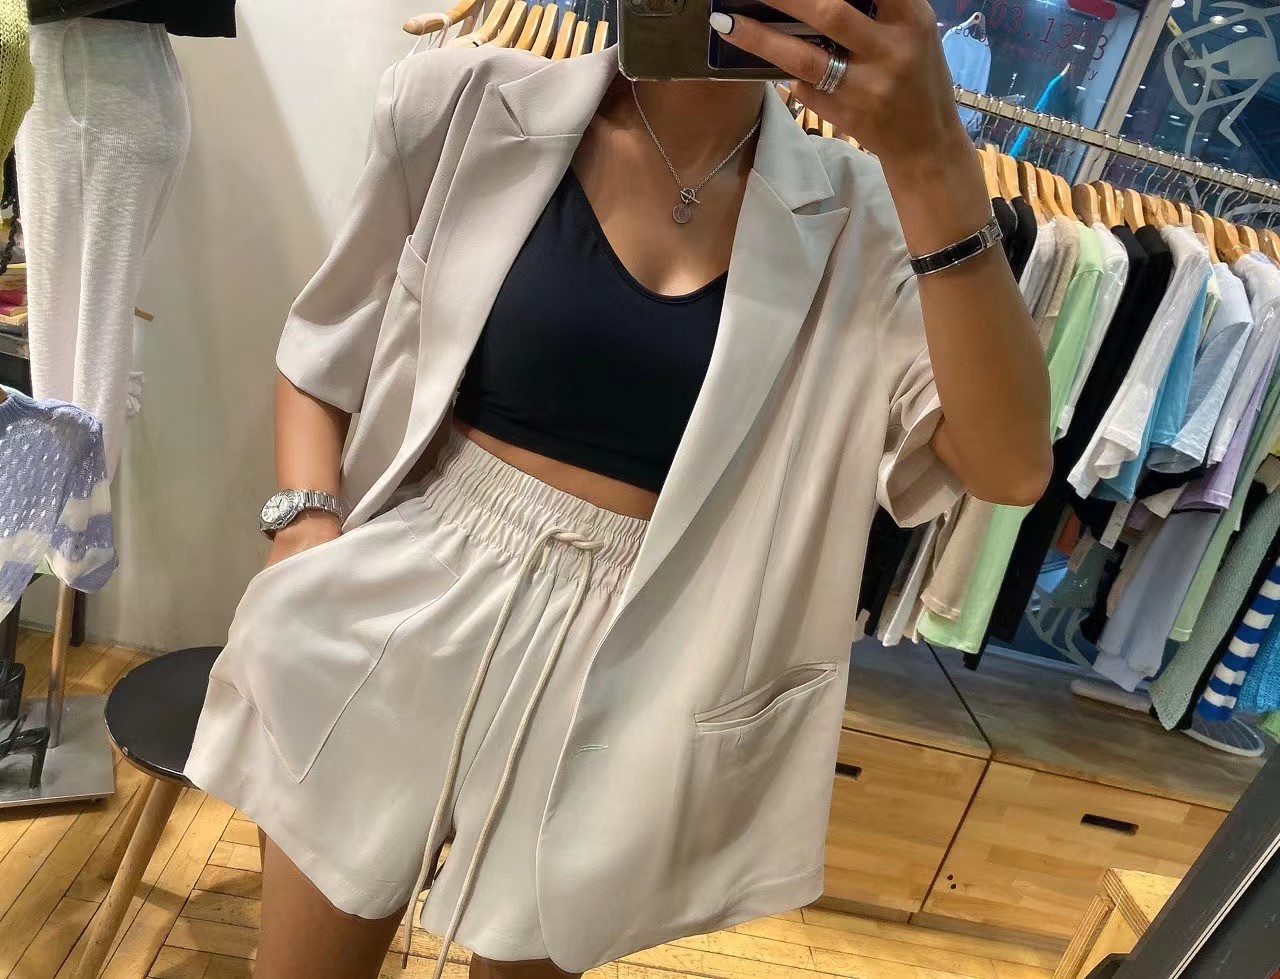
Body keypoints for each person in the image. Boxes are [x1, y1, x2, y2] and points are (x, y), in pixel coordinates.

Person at [184, 0, 1051, 976]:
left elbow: (1007, 463)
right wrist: (305, 525)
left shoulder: (871, 224)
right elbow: (321, 347)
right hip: (406, 606)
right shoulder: (460, 103)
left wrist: (933, 161)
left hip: (644, 670)